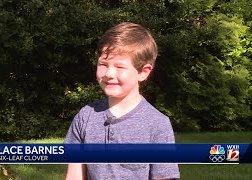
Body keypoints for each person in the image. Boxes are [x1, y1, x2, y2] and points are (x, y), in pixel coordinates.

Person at [64, 22, 180, 180]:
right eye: (103, 64)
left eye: (120, 67)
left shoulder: (157, 125)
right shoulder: (85, 117)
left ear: (143, 72)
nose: (109, 74)